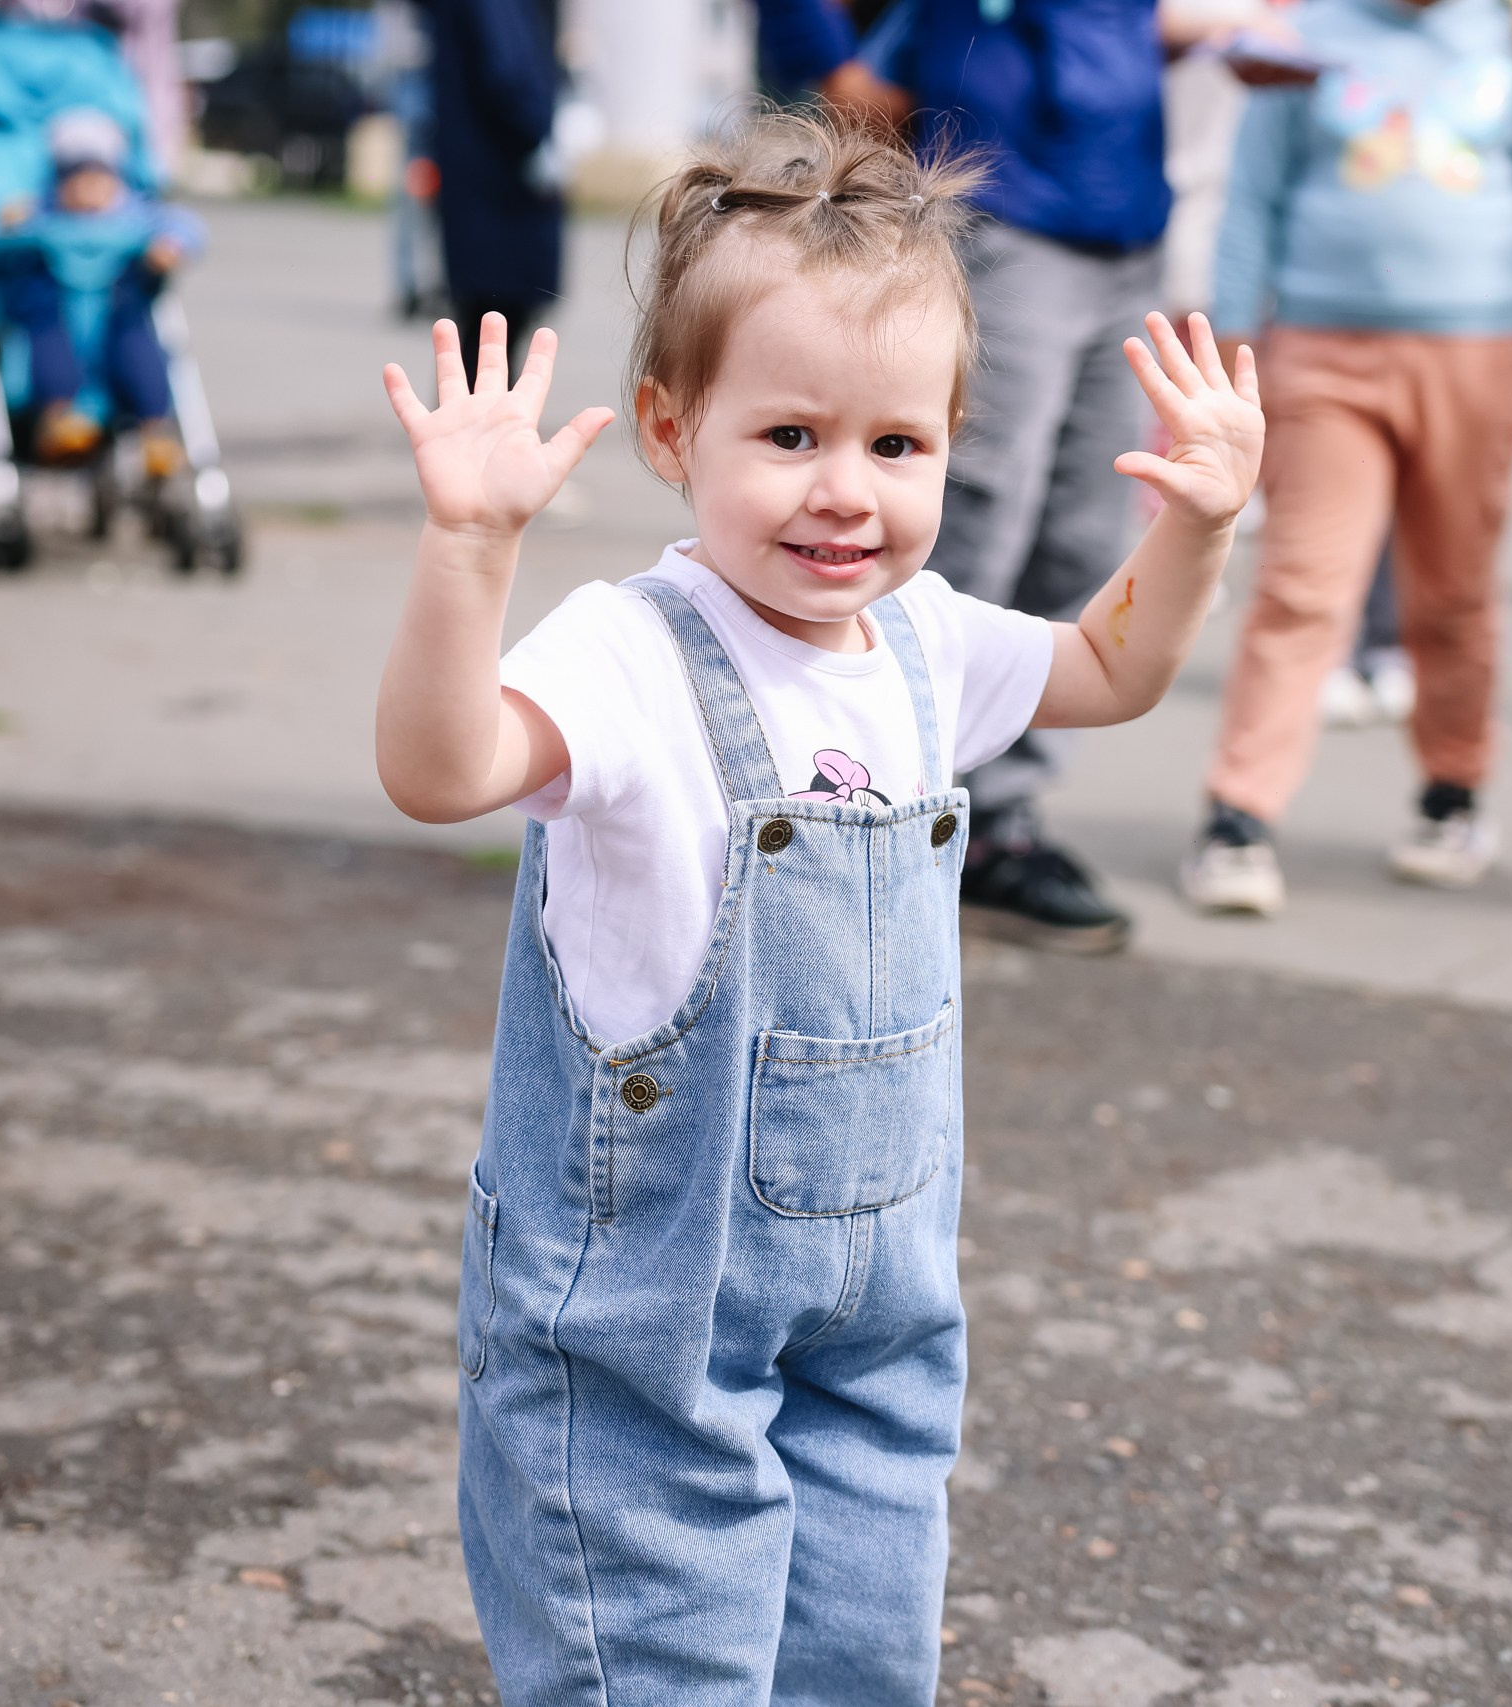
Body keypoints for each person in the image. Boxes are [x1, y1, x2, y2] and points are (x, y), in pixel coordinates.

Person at [371, 112, 1265, 1700]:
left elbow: (1111, 666)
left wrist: (1193, 525)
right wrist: (467, 546)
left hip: (881, 1313)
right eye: (789, 436)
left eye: (895, 446)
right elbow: (442, 769)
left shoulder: (918, 636)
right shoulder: (630, 651)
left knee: (861, 1660)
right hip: (642, 1323)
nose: (845, 492)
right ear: (670, 426)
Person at [1177, 0, 1512, 919]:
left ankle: (1452, 792)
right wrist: (1232, 346)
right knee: (1304, 585)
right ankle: (1239, 814)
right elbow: (1253, 194)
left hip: (1475, 357)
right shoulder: (1309, 31)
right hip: (1324, 355)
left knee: (1450, 593)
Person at [765, 0, 1177, 952]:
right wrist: (830, 70)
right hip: (1009, 211)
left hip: (1125, 223)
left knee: (1083, 534)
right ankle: (870, 799)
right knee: (967, 527)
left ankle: (992, 823)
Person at [0, 107, 202, 470]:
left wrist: (171, 246)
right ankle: (58, 418)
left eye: (99, 180)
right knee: (43, 328)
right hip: (56, 310)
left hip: (118, 310)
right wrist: (10, 224)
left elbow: (186, 226)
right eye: (76, 181)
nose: (88, 192)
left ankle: (155, 429)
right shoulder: (41, 215)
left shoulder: (136, 216)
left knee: (139, 341)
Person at [421, 0, 560, 387]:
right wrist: (537, 136)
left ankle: (467, 439)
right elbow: (509, 72)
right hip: (503, 189)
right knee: (492, 340)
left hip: (482, 185)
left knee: (479, 338)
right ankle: (477, 443)